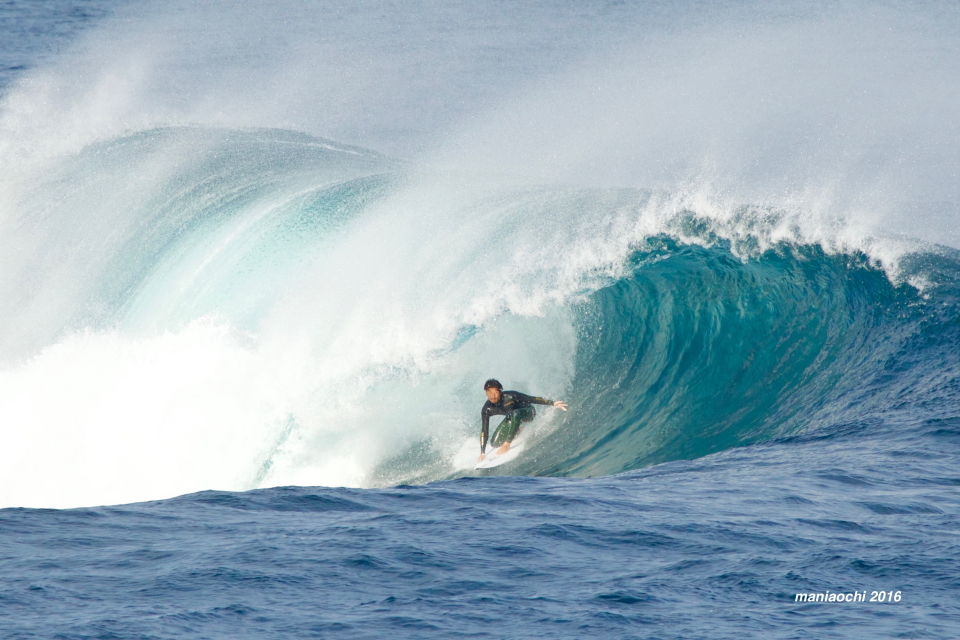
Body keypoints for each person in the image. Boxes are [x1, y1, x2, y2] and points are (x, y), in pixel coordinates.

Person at [478, 378, 568, 461]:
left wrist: (552, 403)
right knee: (495, 443)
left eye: (495, 392)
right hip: (512, 417)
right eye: (489, 392)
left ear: (500, 392)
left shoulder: (510, 396)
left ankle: (507, 444)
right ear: (486, 393)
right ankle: (517, 430)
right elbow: (484, 431)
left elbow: (531, 399)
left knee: (515, 413)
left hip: (528, 412)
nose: (493, 396)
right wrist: (482, 453)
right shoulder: (486, 409)